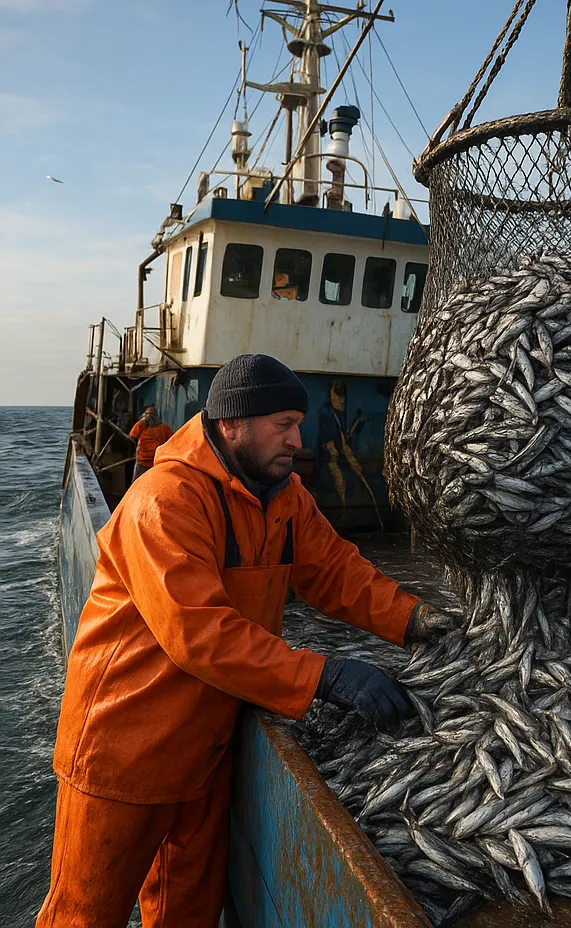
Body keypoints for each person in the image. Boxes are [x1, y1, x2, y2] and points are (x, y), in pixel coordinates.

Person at [36, 353, 455, 928]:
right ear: (233, 424)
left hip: (208, 750)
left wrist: (415, 619)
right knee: (83, 915)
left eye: (297, 424)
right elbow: (198, 630)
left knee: (188, 915)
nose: (297, 438)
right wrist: (323, 675)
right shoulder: (166, 500)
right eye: (282, 425)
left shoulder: (284, 495)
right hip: (124, 751)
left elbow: (337, 572)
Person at [128, 404, 173, 480]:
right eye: (147, 414)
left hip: (157, 464)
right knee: (137, 486)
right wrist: (141, 423)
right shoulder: (141, 426)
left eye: (152, 414)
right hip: (141, 463)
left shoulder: (164, 428)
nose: (150, 416)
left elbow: (173, 441)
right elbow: (131, 437)